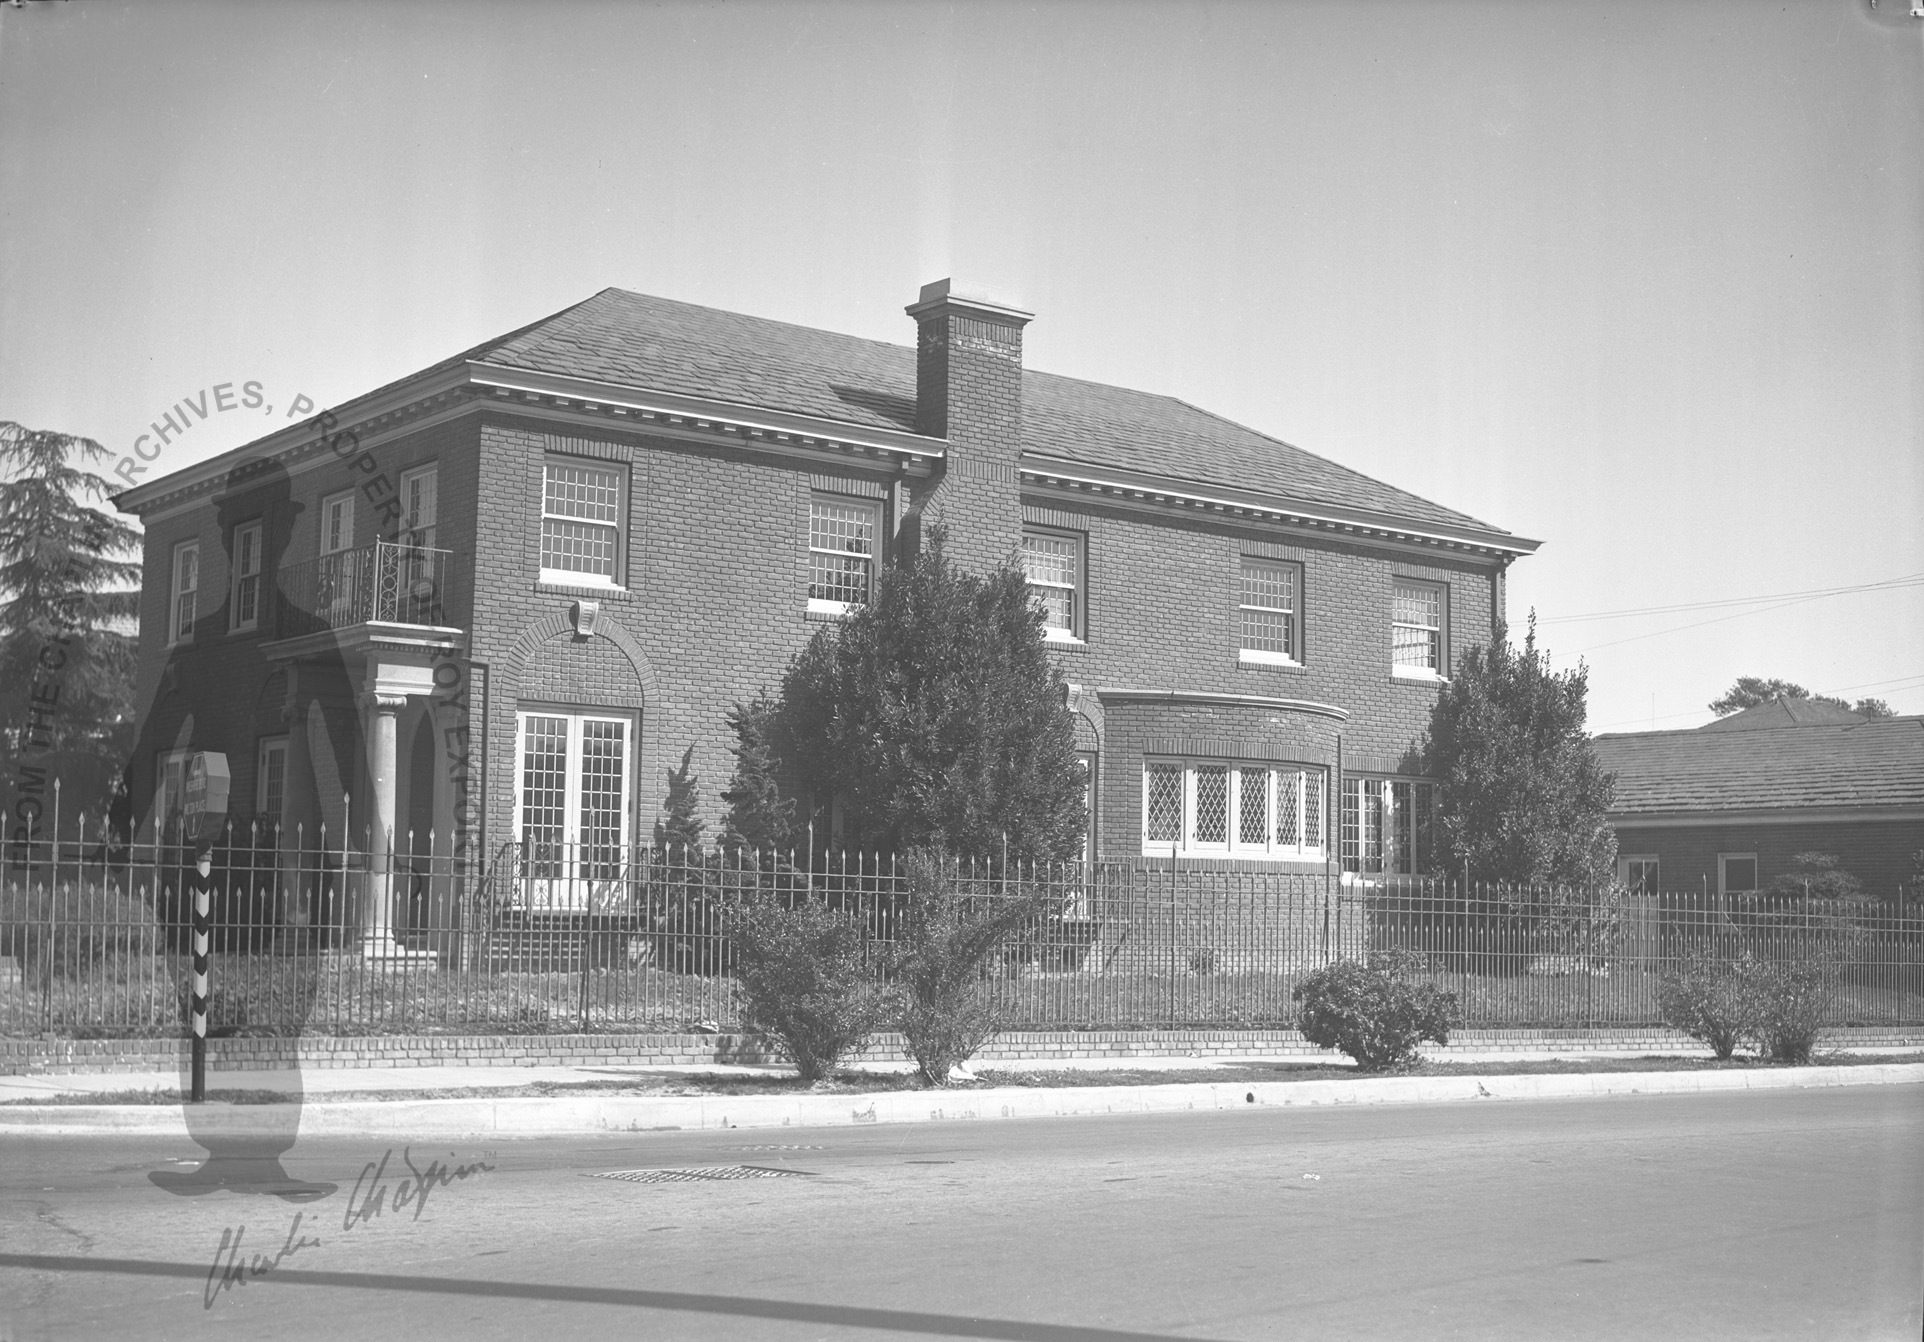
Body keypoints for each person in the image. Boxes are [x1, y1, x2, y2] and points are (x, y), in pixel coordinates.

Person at [136, 456, 353, 1202]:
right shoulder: (194, 651)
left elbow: (351, 765)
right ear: (228, 536)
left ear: (286, 533)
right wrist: (124, 850)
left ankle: (265, 1159)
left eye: (265, 527)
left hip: (287, 893)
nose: (249, 544)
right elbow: (147, 761)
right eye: (240, 528)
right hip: (202, 885)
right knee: (206, 1021)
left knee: (274, 1028)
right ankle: (220, 1155)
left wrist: (349, 877)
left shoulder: (317, 641)